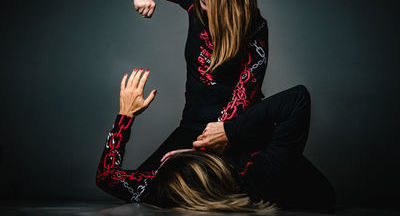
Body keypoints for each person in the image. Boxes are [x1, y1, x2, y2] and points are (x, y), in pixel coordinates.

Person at [95, 69, 336, 213]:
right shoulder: (264, 174)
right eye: (170, 159)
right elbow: (297, 99)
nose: (164, 157)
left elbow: (107, 178)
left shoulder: (168, 194)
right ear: (208, 157)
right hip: (316, 194)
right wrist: (230, 131)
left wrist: (125, 115)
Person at [132, 0, 269, 171]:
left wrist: (199, 152)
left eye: (208, 3)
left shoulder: (255, 27)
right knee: (144, 188)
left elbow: (245, 93)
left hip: (235, 129)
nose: (201, 7)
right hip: (193, 126)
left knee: (317, 194)